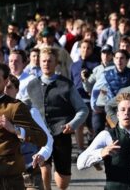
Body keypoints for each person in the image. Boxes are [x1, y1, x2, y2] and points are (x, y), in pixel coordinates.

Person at [26, 47, 89, 190]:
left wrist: (73, 124)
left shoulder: (66, 85)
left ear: (56, 63)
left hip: (62, 133)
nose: (46, 64)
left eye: (49, 61)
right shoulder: (32, 85)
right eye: (43, 61)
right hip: (41, 135)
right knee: (44, 166)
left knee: (63, 178)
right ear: (39, 63)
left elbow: (83, 109)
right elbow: (24, 104)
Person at [4, 74, 53, 190]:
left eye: (9, 87)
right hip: (4, 174)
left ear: (17, 90)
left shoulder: (30, 112)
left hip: (29, 172)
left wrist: (42, 154)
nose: (5, 91)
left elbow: (48, 139)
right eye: (3, 87)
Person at [90, 49, 130, 136]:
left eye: (122, 58)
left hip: (126, 109)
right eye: (117, 58)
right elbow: (95, 89)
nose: (119, 61)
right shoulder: (106, 74)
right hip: (110, 108)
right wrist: (93, 105)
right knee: (98, 129)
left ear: (127, 60)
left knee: (119, 132)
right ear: (113, 60)